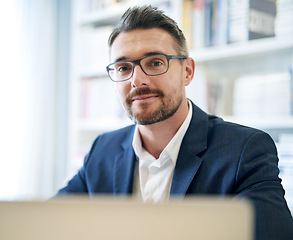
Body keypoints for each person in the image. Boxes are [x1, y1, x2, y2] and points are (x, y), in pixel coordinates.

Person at [58, 5, 293, 239]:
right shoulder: (103, 150)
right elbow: (51, 221)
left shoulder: (244, 151)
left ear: (187, 72)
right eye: (123, 68)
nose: (137, 80)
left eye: (155, 63)